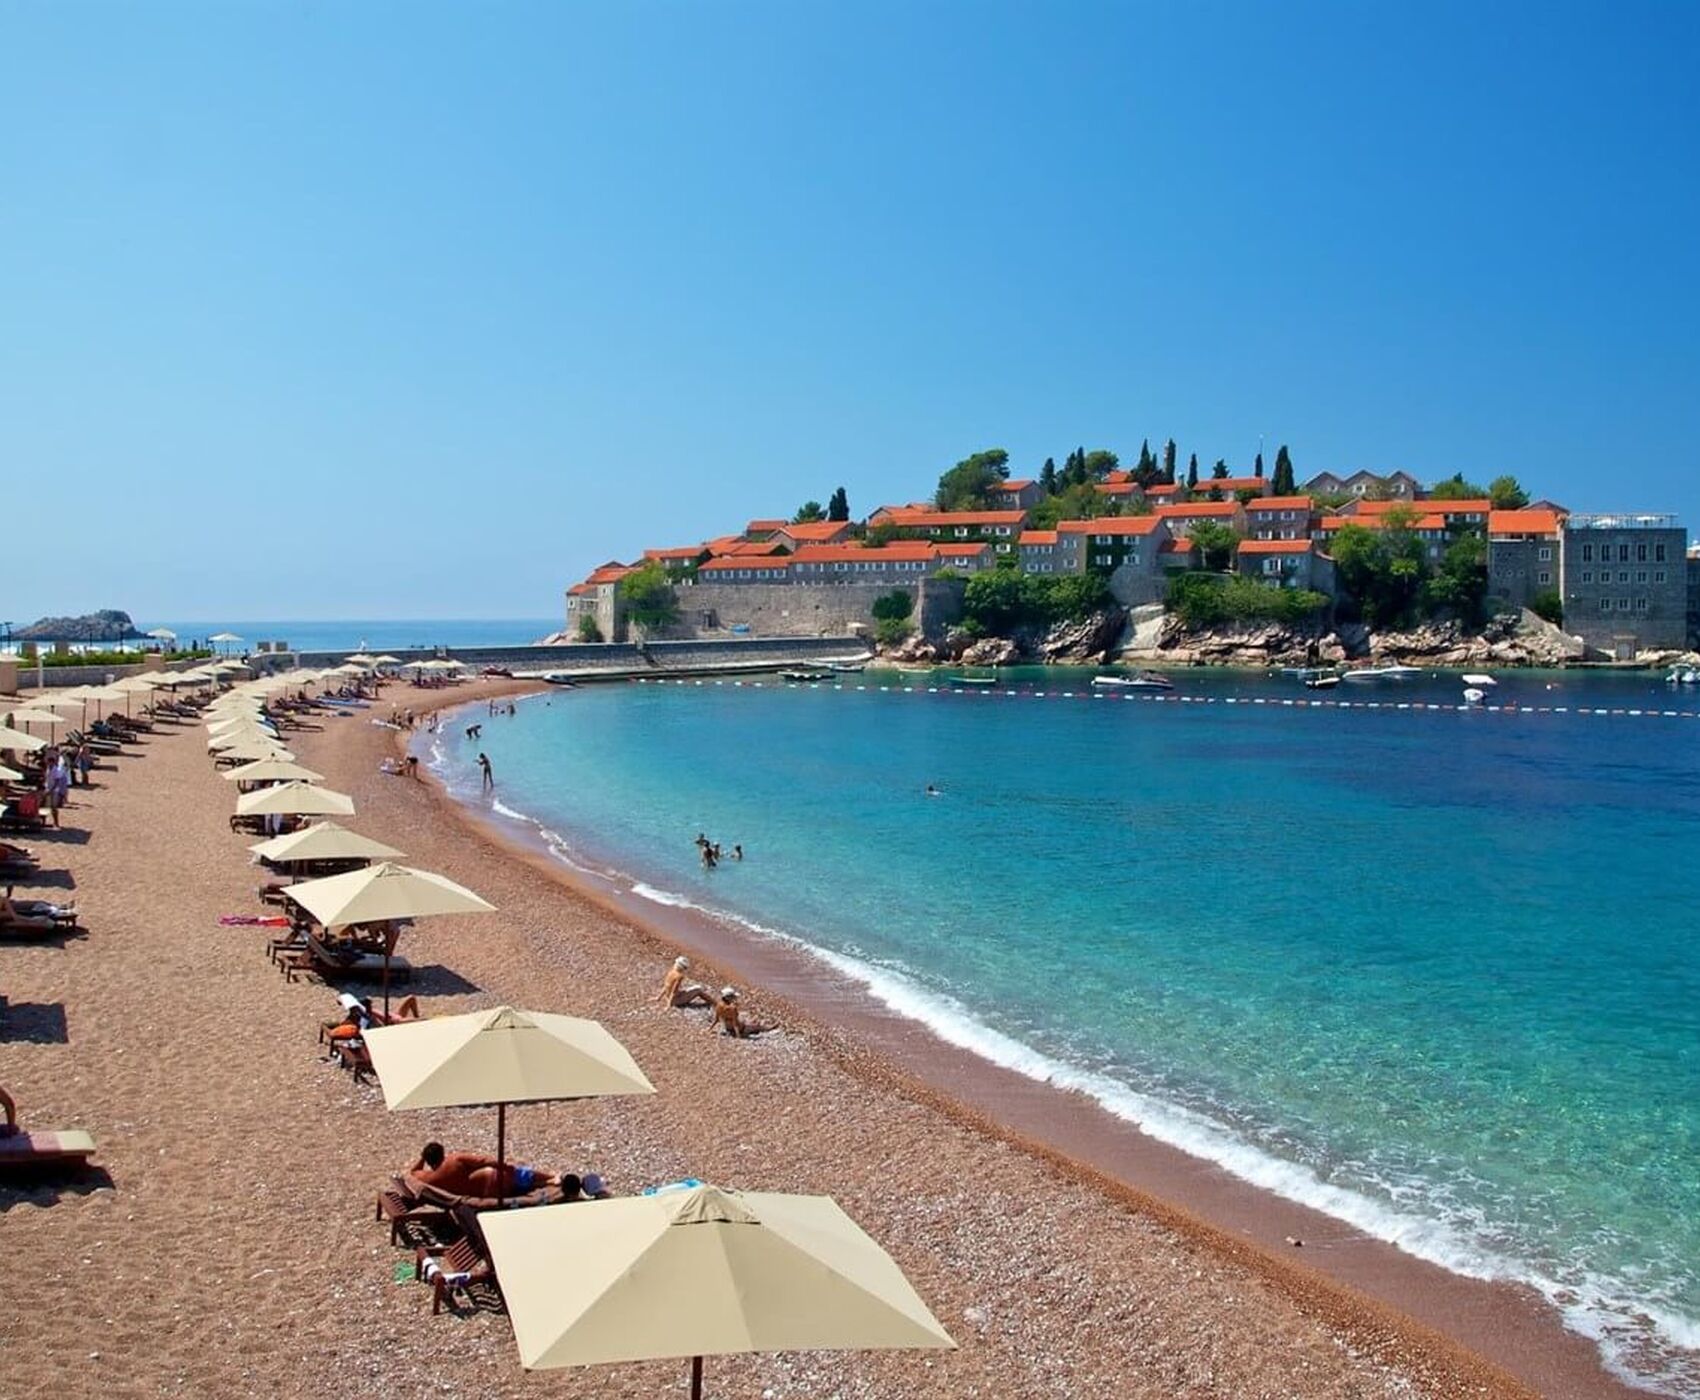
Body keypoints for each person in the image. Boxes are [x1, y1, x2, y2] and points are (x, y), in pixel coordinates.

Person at [410, 1141, 561, 1198]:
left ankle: (545, 1182)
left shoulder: (427, 1178)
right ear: (442, 1153)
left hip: (486, 1194)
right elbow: (484, 1160)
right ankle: (551, 1178)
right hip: (496, 1180)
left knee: (514, 1181)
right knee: (517, 1172)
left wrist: (423, 1156)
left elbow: (412, 1172)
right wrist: (506, 1166)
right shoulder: (454, 1160)